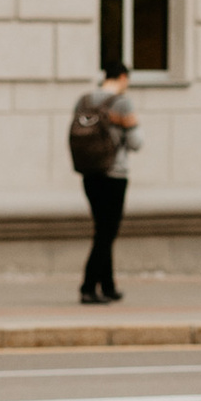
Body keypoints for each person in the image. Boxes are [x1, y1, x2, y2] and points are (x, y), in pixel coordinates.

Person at [68, 60, 139, 303]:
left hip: (89, 173)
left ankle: (108, 285)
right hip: (114, 174)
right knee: (107, 232)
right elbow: (136, 142)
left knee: (102, 228)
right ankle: (88, 287)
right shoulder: (122, 102)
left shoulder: (84, 100)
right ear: (121, 78)